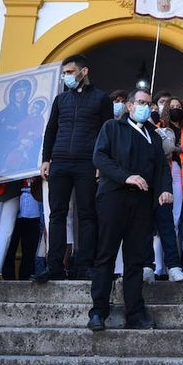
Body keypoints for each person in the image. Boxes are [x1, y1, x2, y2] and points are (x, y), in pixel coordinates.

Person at [87, 89, 174, 331]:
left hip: (142, 204)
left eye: (149, 103)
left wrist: (165, 189)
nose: (145, 106)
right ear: (129, 106)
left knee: (136, 259)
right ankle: (98, 312)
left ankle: (135, 312)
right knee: (105, 254)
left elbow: (161, 168)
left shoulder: (153, 137)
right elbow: (100, 158)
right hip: (113, 199)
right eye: (140, 102)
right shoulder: (112, 128)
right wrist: (127, 177)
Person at [35, 55, 114, 282]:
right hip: (59, 162)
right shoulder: (60, 100)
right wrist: (46, 159)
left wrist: (102, 163)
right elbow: (50, 131)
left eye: (70, 72)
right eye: (65, 73)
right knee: (56, 214)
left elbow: (106, 134)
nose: (66, 77)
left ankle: (84, 266)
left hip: (87, 163)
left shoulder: (101, 99)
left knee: (87, 215)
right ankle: (54, 266)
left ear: (84, 71)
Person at [160, 96, 183, 278]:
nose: (175, 109)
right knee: (168, 219)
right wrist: (181, 149)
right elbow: (164, 148)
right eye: (171, 106)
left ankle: (175, 264)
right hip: (169, 171)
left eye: (178, 106)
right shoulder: (160, 126)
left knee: (178, 217)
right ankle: (164, 266)